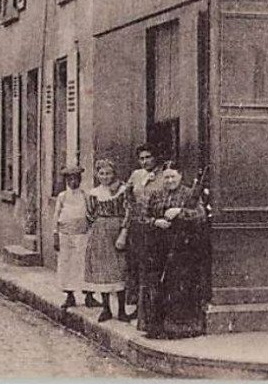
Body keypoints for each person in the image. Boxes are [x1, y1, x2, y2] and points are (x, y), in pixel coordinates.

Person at [137, 165, 209, 339]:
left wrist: (180, 212)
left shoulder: (189, 194)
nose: (170, 181)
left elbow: (200, 215)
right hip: (158, 246)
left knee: (179, 285)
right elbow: (141, 218)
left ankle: (180, 327)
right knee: (156, 285)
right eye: (167, 177)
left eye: (173, 177)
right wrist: (156, 222)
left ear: (180, 176)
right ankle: (156, 326)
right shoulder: (155, 195)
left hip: (182, 247)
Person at [121, 144, 166, 321]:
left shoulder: (164, 175)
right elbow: (128, 197)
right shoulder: (136, 175)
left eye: (148, 157)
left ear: (155, 158)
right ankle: (138, 309)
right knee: (136, 267)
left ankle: (152, 311)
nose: (145, 161)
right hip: (137, 226)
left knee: (152, 269)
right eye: (142, 158)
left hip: (156, 227)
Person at [84, 158, 129, 322]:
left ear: (114, 173)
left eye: (108, 173)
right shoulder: (94, 193)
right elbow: (89, 215)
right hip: (100, 234)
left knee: (120, 268)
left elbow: (128, 212)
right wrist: (96, 229)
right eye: (101, 173)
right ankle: (106, 308)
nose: (105, 177)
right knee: (103, 270)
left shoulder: (123, 190)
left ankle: (122, 310)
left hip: (118, 231)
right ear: (97, 175)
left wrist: (123, 232)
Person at [52, 167, 89, 310]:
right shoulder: (62, 196)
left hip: (81, 233)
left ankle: (88, 295)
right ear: (66, 181)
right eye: (70, 179)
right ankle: (69, 295)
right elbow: (56, 216)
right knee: (66, 263)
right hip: (65, 234)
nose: (73, 182)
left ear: (80, 180)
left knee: (82, 263)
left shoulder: (84, 195)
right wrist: (55, 234)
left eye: (76, 179)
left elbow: (89, 214)